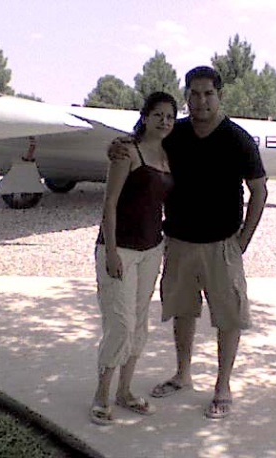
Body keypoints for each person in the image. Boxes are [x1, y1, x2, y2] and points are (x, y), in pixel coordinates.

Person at [111, 66, 268, 419]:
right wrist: (118, 145)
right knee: (183, 311)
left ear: (219, 96)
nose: (200, 101)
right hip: (178, 241)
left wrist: (243, 239)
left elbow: (259, 190)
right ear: (186, 97)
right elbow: (140, 146)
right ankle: (182, 374)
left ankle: (222, 386)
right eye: (194, 94)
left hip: (223, 244)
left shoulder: (237, 139)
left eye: (208, 94)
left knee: (228, 317)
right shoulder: (174, 134)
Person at [91, 91, 177, 425]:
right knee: (120, 324)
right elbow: (109, 203)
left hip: (151, 249)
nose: (165, 122)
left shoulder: (169, 154)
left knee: (139, 322)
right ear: (145, 116)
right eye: (158, 115)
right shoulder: (126, 150)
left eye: (170, 116)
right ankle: (101, 394)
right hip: (120, 250)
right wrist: (110, 251)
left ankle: (125, 391)